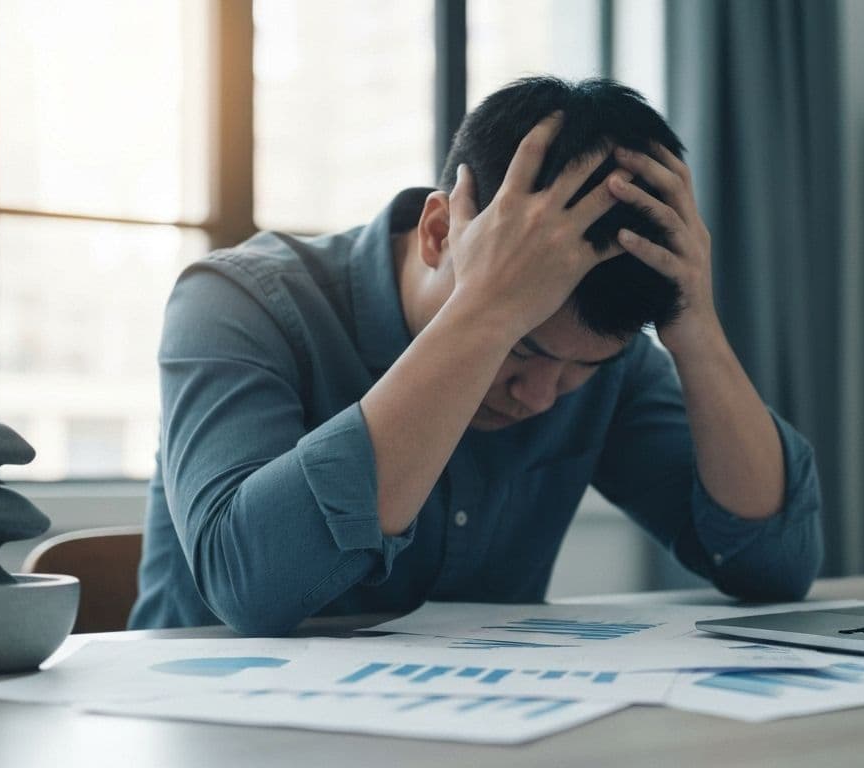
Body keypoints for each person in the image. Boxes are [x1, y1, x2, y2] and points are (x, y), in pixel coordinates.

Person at [128, 76, 824, 634]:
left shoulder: (595, 359)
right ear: (439, 233)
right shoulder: (239, 302)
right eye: (521, 347)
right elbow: (250, 585)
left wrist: (694, 321)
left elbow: (773, 565)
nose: (541, 395)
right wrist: (487, 315)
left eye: (582, 367)